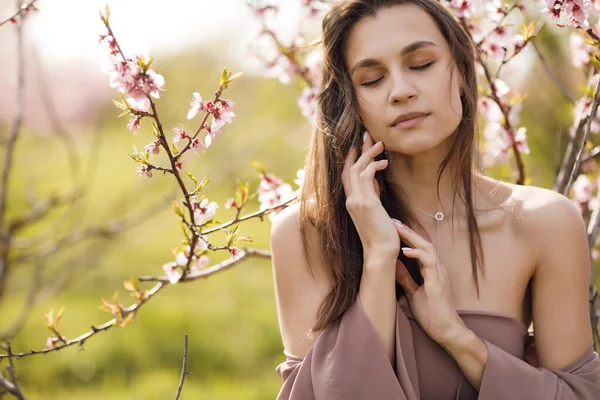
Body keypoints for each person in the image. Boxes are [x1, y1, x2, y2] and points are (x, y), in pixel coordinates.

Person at [270, 0, 600, 399]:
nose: (401, 91)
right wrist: (377, 259)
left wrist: (458, 340)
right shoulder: (306, 234)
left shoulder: (544, 223)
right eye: (372, 79)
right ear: (350, 102)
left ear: (461, 71)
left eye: (421, 64)